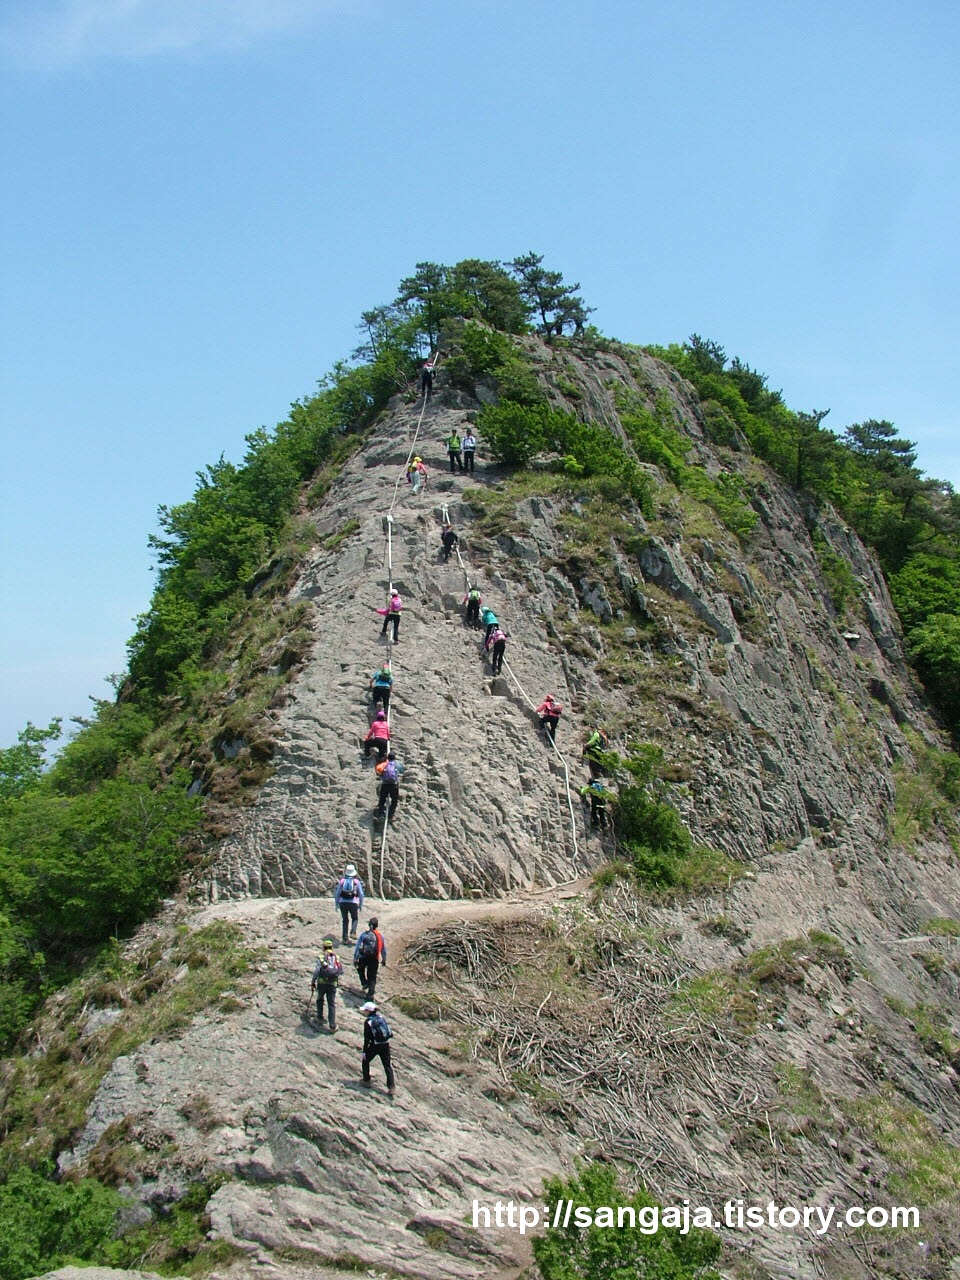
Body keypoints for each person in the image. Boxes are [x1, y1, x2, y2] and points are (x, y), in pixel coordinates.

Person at [360, 1000, 395, 1096]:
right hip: (385, 1044)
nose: (363, 1012)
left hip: (375, 1045)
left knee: (365, 1061)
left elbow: (367, 1038)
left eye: (365, 1010)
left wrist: (364, 1051)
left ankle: (366, 1080)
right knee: (387, 1065)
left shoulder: (368, 1022)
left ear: (368, 1011)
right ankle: (391, 1087)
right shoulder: (381, 1017)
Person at [310, 938, 343, 1032]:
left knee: (320, 999)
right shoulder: (337, 957)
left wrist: (313, 982)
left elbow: (317, 970)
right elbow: (339, 970)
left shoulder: (321, 957)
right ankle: (332, 1026)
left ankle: (320, 1018)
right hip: (332, 983)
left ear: (323, 947)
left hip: (322, 982)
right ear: (332, 947)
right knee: (331, 1004)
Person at [354, 916, 387, 998]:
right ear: (377, 925)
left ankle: (364, 983)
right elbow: (383, 950)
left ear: (369, 925)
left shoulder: (364, 934)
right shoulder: (380, 936)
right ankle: (370, 995)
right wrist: (384, 959)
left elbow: (358, 946)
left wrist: (355, 958)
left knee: (360, 969)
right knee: (372, 977)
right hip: (374, 958)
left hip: (363, 956)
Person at [335, 864, 364, 943]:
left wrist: (336, 904)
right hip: (353, 902)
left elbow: (337, 893)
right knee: (355, 918)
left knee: (345, 920)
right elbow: (361, 894)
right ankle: (353, 932)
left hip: (342, 902)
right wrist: (361, 904)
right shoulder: (356, 882)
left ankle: (345, 938)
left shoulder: (342, 881)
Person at [375, 751, 403, 822]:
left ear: (387, 758)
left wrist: (381, 775)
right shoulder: (397, 764)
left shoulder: (384, 764)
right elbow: (401, 770)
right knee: (394, 801)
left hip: (385, 784)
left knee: (382, 800)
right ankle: (391, 816)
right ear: (394, 758)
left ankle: (381, 814)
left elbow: (378, 769)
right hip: (394, 785)